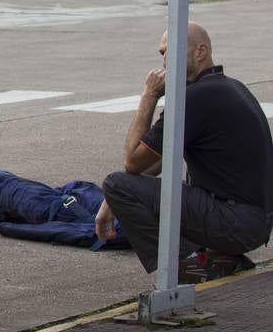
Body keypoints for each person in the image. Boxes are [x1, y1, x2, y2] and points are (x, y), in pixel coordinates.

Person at [95, 24, 272, 281]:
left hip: (236, 223)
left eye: (170, 52)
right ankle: (221, 257)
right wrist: (111, 202)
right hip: (253, 224)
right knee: (132, 186)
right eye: (161, 54)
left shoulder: (196, 98)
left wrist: (149, 95)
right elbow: (153, 165)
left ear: (200, 52)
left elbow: (132, 163)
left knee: (115, 183)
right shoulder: (229, 87)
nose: (164, 62)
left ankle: (190, 266)